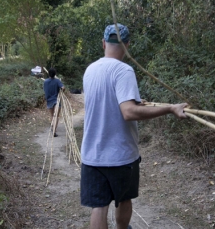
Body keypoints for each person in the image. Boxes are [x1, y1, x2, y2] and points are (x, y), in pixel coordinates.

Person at [80, 23, 188, 229]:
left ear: (103, 43)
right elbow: (128, 112)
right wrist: (170, 108)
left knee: (99, 207)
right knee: (124, 198)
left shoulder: (90, 70)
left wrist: (137, 102)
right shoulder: (123, 70)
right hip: (121, 155)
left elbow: (110, 101)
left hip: (92, 154)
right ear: (127, 45)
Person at [43, 67, 64, 137]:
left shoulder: (45, 81)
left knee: (52, 115)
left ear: (48, 74)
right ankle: (54, 131)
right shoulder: (57, 81)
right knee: (56, 116)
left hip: (49, 100)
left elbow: (45, 90)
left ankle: (52, 127)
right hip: (56, 100)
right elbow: (63, 88)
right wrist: (61, 90)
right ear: (55, 74)